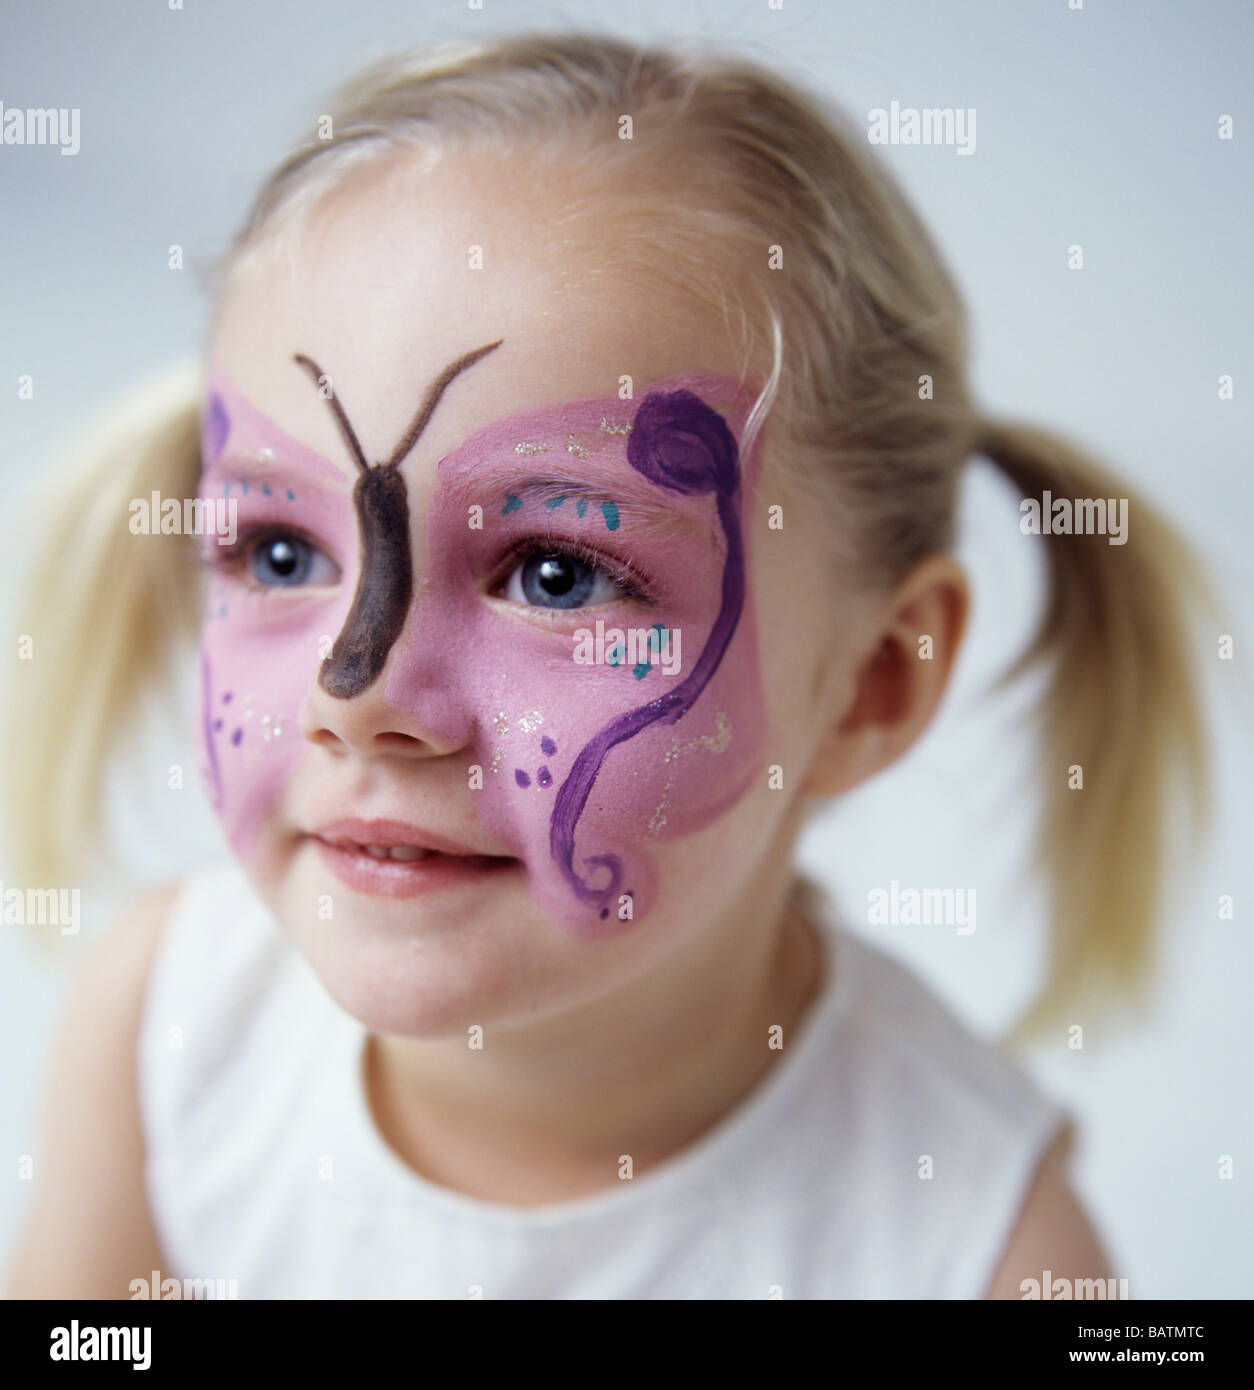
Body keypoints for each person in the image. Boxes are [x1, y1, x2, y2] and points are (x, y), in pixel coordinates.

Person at [3, 31, 1207, 1299]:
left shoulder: (980, 1251)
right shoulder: (170, 1027)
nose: (353, 700)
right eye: (282, 552)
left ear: (871, 685)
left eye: (556, 572)